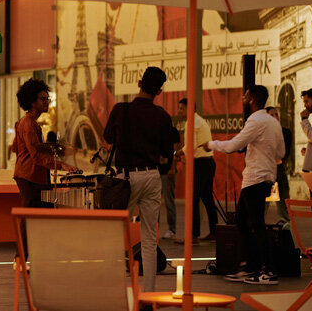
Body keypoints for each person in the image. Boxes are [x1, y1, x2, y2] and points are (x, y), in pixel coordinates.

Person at [104, 66, 178, 293]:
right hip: (152, 175)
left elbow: (107, 138)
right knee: (148, 237)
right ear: (160, 90)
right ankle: (148, 292)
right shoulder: (163, 116)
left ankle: (111, 288)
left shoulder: (120, 110)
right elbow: (167, 152)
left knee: (113, 233)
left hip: (125, 178)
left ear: (139, 83)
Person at [202, 85, 284, 285]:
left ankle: (268, 270)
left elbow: (233, 146)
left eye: (246, 95)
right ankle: (251, 267)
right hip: (263, 177)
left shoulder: (255, 120)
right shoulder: (272, 122)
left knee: (255, 225)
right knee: (242, 222)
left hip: (255, 178)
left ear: (253, 99)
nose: (243, 97)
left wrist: (211, 144)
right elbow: (280, 152)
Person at [12, 79, 74, 210]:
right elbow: (37, 155)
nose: (47, 102)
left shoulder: (28, 122)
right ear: (32, 101)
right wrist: (61, 164)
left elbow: (16, 148)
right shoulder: (28, 124)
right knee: (31, 216)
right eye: (43, 99)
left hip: (30, 176)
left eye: (47, 99)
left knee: (35, 216)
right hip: (29, 176)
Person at [177, 98, 218, 242]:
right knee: (207, 199)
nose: (179, 111)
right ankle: (214, 232)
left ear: (189, 108)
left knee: (193, 199)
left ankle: (193, 235)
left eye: (181, 108)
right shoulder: (199, 120)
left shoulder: (192, 122)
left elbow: (191, 146)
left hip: (201, 164)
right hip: (208, 163)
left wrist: (178, 153)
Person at [266, 107, 292, 222]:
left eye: (276, 114)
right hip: (265, 170)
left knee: (283, 203)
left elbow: (284, 154)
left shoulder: (285, 132)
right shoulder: (263, 133)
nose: (275, 117)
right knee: (263, 203)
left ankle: (286, 227)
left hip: (279, 169)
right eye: (272, 115)